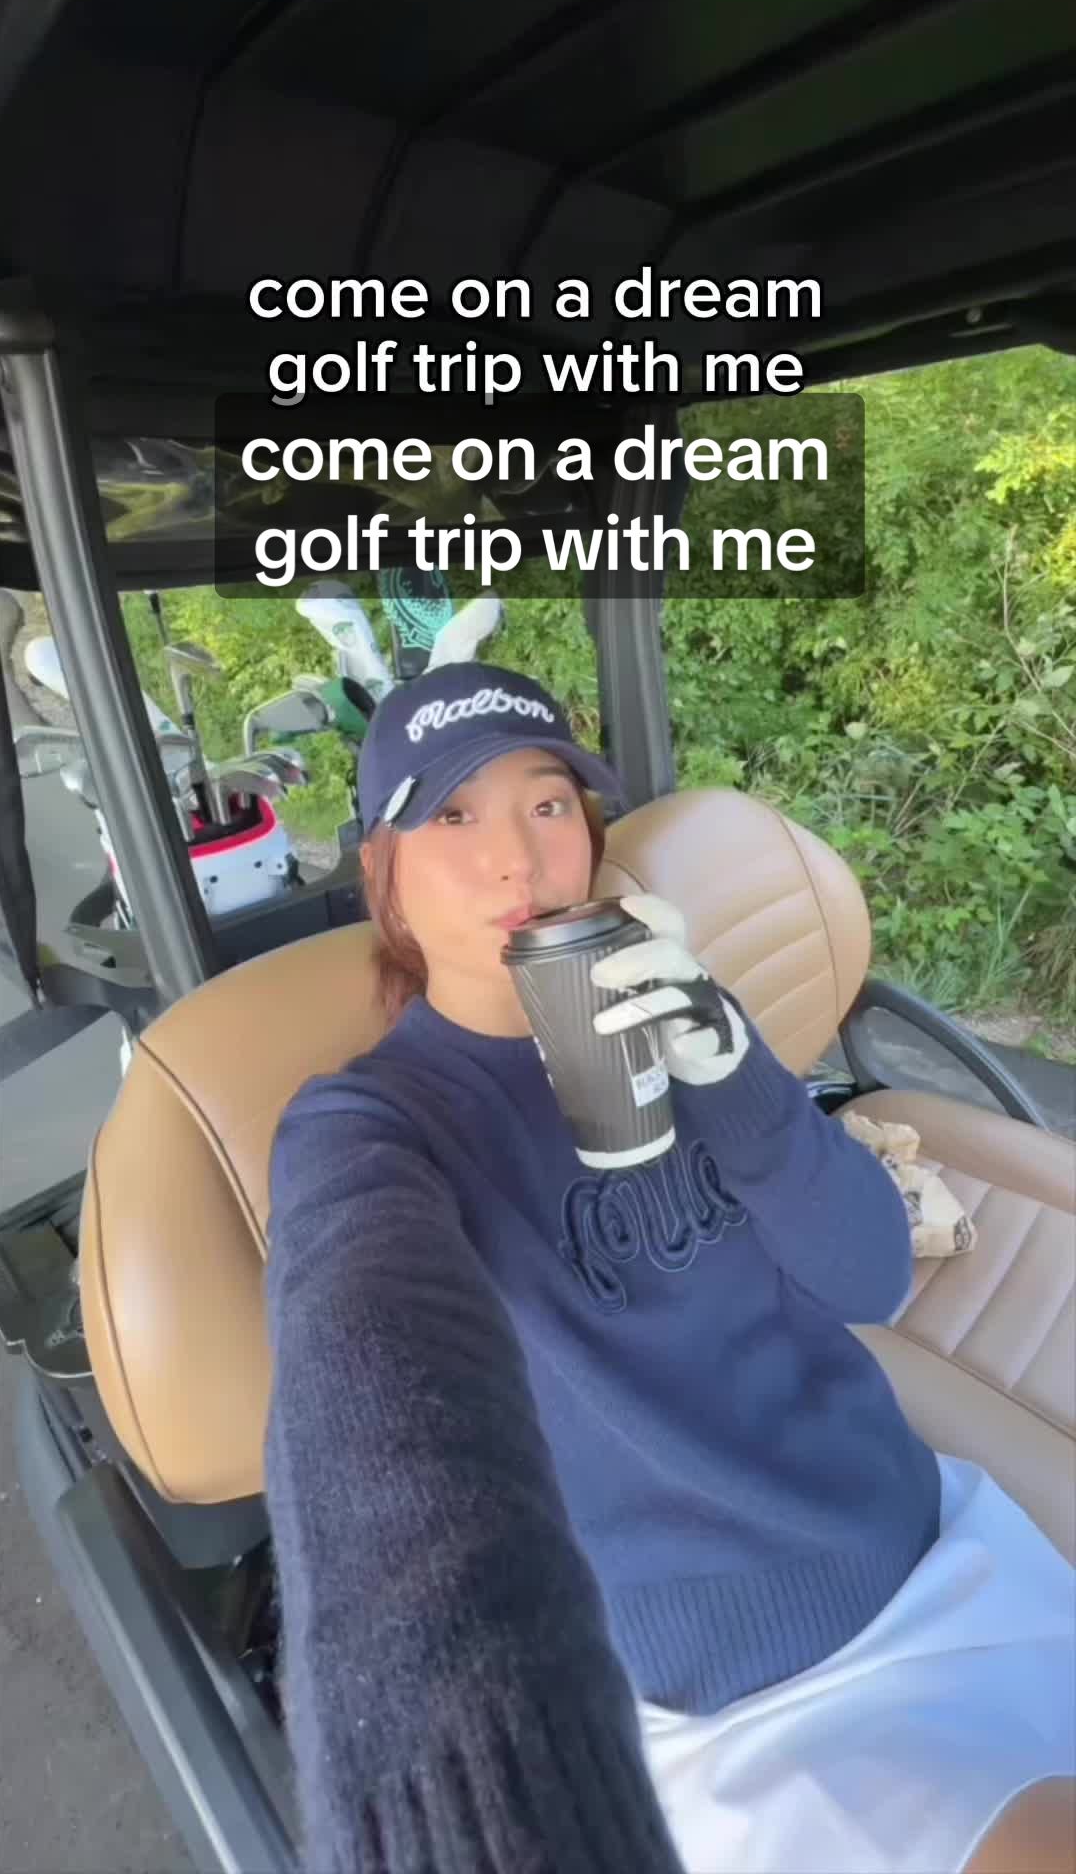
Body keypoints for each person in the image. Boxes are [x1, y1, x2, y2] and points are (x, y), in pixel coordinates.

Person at [265, 661, 1076, 1874]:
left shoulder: (680, 1020)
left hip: (931, 1543)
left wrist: (736, 1066)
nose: (517, 859)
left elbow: (871, 1281)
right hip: (741, 1710)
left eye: (548, 805)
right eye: (453, 815)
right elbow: (357, 1377)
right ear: (384, 875)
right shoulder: (368, 1127)